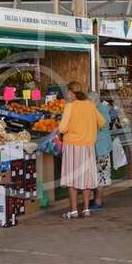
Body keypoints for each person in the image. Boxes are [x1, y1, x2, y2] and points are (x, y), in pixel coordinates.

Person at [58, 81, 106, 219]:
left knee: (72, 180)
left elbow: (62, 128)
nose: (66, 95)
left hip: (72, 146)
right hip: (88, 147)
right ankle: (86, 209)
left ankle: (73, 211)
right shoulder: (90, 105)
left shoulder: (70, 106)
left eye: (67, 92)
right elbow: (102, 122)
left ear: (71, 92)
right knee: (86, 180)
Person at [89, 92, 112, 211]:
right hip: (95, 147)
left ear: (95, 101)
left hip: (101, 148)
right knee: (96, 175)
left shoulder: (101, 109)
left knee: (101, 175)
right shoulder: (95, 108)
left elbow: (101, 124)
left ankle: (98, 201)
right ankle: (96, 199)